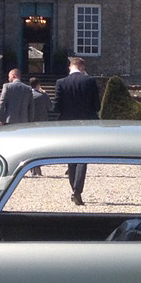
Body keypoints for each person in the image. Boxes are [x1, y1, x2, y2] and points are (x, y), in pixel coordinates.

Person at [52, 56, 100, 205]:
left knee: (70, 157)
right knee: (83, 158)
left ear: (70, 68)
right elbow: (97, 106)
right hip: (86, 124)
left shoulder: (61, 83)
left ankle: (73, 187)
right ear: (82, 68)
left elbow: (57, 108)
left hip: (67, 125)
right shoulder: (90, 81)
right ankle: (77, 190)